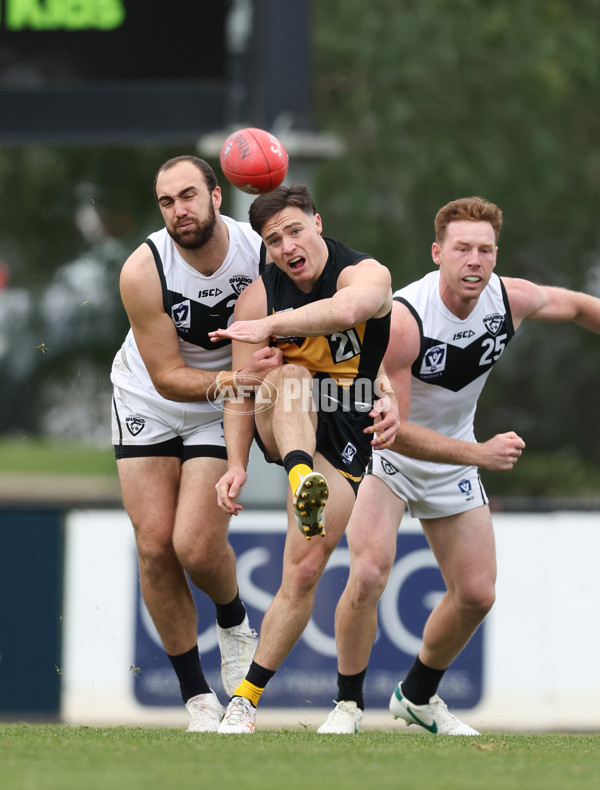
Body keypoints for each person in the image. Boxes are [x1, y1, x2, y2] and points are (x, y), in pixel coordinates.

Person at [317, 195, 600, 736]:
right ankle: (348, 706)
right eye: (463, 249)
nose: (475, 260)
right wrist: (479, 454)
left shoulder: (510, 299)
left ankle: (418, 697)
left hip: (454, 455)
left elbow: (579, 306)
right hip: (388, 454)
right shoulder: (404, 317)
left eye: (486, 250)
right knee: (370, 571)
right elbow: (394, 432)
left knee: (477, 594)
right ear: (437, 253)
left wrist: (469, 454)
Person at [207, 183, 398, 733]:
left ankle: (244, 697)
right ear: (265, 251)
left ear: (318, 223)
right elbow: (241, 390)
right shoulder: (258, 297)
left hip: (348, 430)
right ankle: (299, 477)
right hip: (285, 420)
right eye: (272, 240)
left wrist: (273, 326)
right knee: (287, 376)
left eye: (294, 230)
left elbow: (345, 311)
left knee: (305, 570)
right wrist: (236, 465)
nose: (287, 246)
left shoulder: (365, 274)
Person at [110, 155, 282, 732]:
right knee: (155, 545)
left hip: (220, 403)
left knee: (196, 547)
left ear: (216, 195)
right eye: (166, 202)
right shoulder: (144, 269)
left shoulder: (259, 252)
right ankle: (197, 699)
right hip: (150, 398)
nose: (179, 211)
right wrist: (236, 381)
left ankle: (233, 621)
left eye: (188, 196)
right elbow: (164, 375)